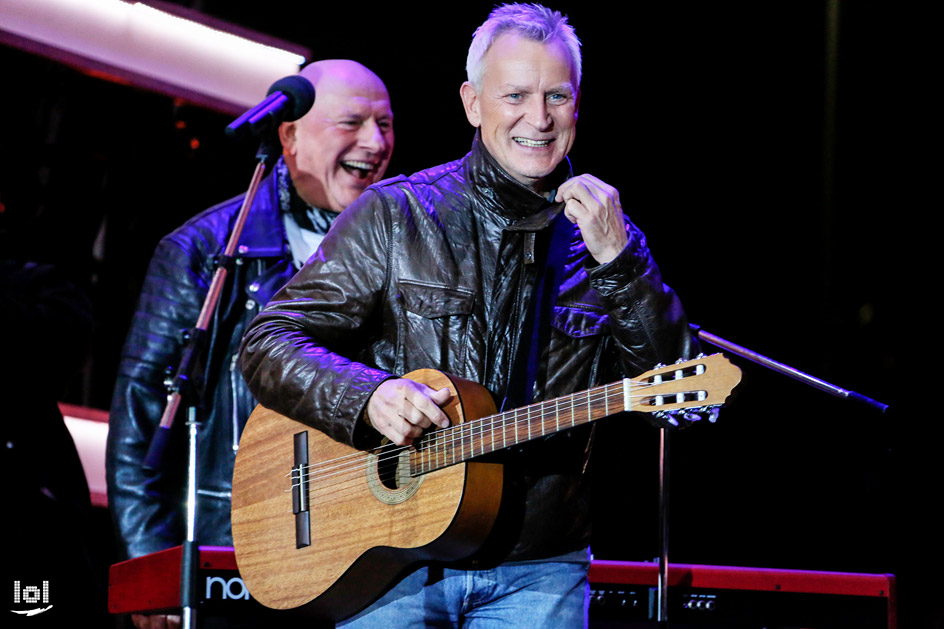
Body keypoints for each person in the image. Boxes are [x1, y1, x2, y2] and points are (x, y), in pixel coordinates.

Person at [239, 4, 696, 627]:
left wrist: (622, 262)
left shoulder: (608, 242)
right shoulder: (396, 215)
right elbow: (268, 340)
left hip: (540, 564)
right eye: (515, 95)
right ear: (473, 103)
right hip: (390, 559)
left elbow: (681, 396)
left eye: (556, 96)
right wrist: (367, 398)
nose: (538, 118)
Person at [105, 59, 394, 629]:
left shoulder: (404, 248)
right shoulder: (208, 251)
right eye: (352, 123)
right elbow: (142, 416)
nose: (376, 142)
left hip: (364, 553)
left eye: (385, 125)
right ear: (288, 137)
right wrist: (150, 563)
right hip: (234, 547)